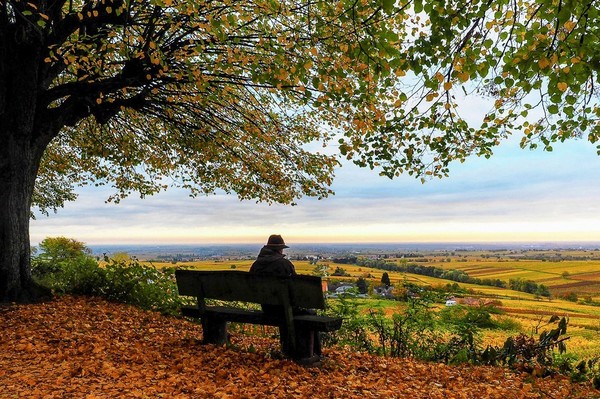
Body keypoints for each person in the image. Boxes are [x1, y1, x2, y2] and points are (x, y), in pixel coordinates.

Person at [250, 235, 321, 358]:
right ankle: (314, 353)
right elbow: (295, 291)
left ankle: (287, 348)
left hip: (267, 308)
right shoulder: (284, 264)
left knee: (286, 313)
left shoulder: (256, 265)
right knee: (310, 314)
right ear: (279, 249)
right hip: (283, 309)